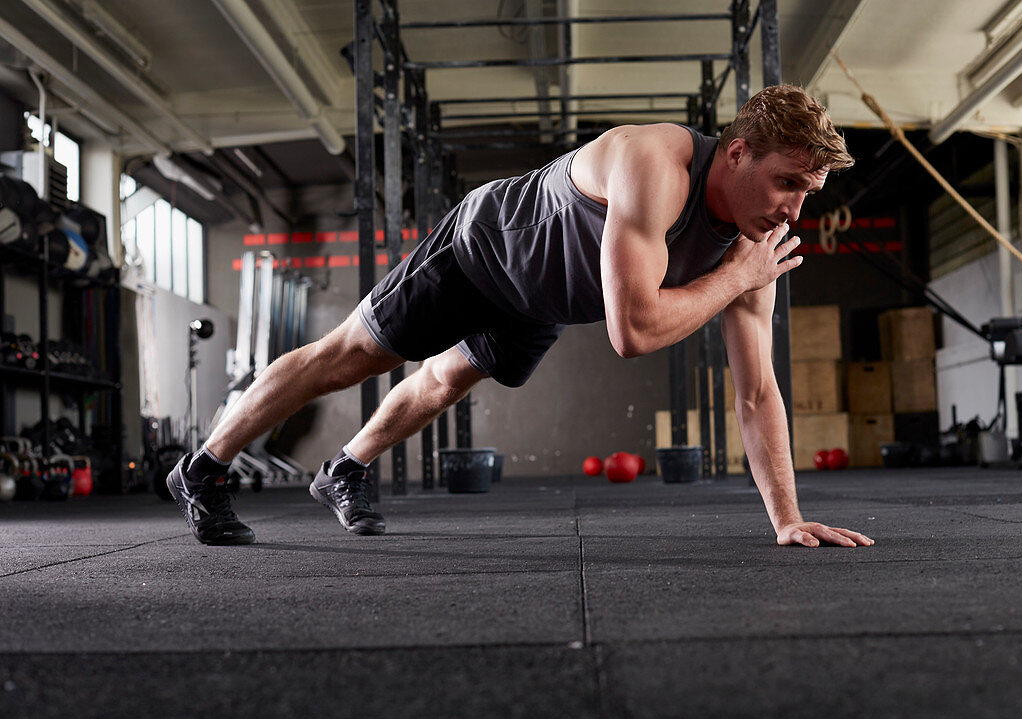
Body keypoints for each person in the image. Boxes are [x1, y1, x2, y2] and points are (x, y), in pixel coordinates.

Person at [167, 83, 874, 550]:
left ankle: (345, 468)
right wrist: (730, 280)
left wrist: (787, 518)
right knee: (354, 354)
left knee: (445, 382)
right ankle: (203, 466)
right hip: (486, 247)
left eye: (807, 192)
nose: (793, 210)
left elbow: (755, 391)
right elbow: (633, 333)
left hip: (541, 298)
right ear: (739, 151)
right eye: (787, 182)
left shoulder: (751, 251)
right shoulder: (655, 163)